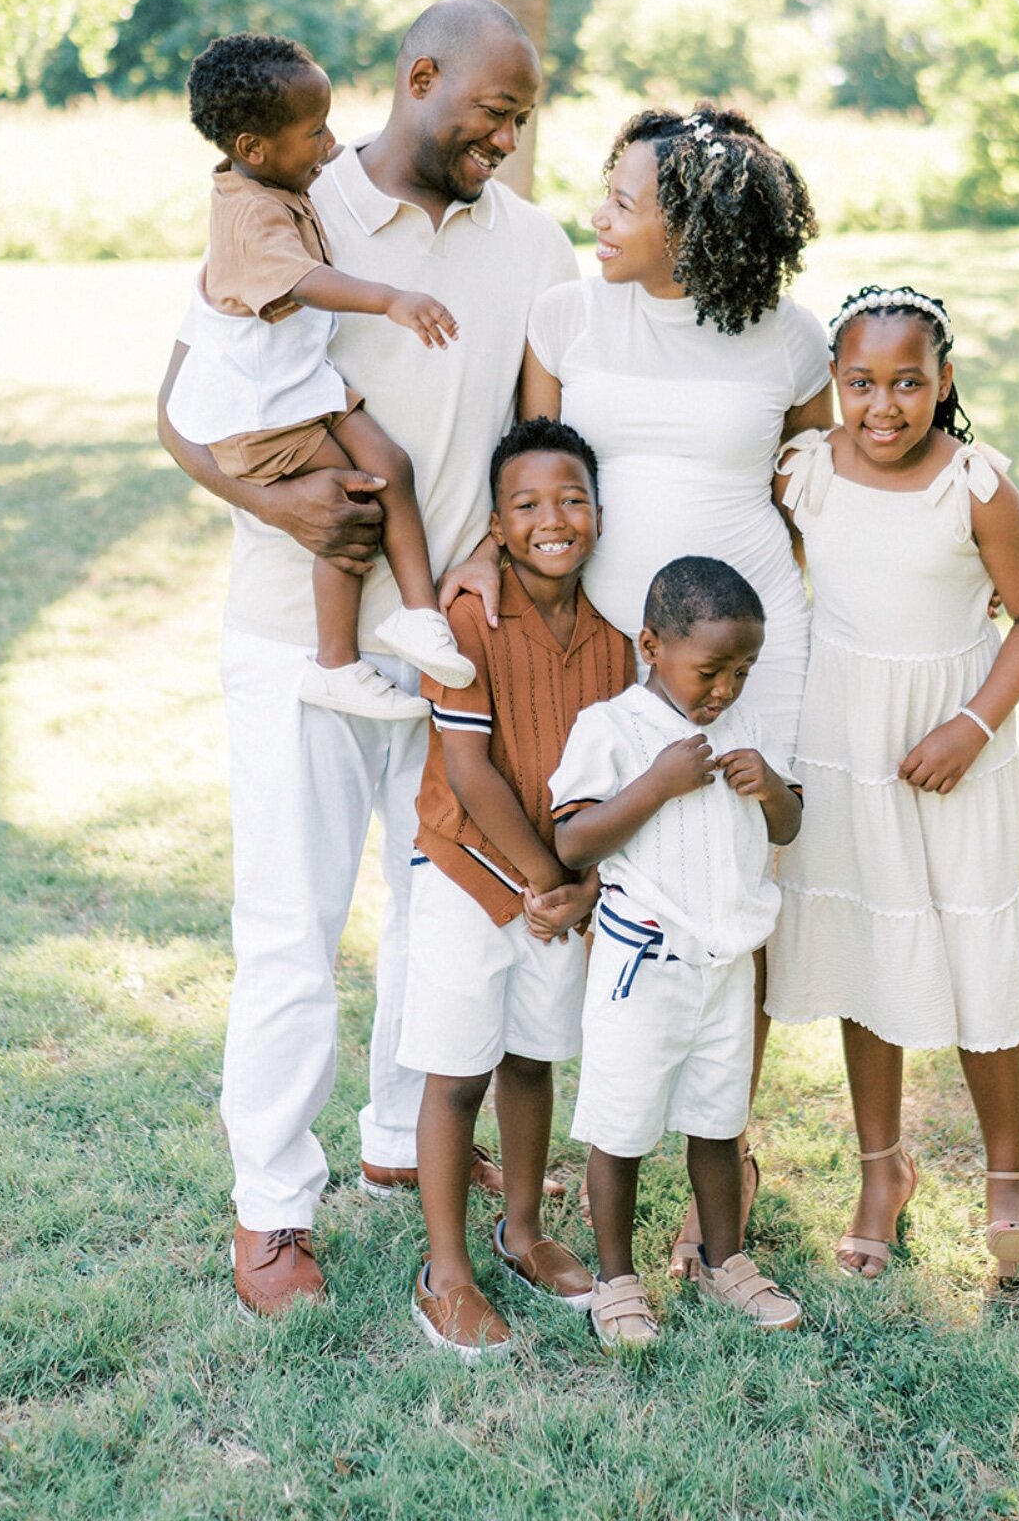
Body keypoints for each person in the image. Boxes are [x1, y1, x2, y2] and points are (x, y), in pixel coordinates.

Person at [156, 0, 578, 1316]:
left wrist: (493, 555)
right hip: (298, 638)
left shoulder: (537, 246)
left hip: (447, 646)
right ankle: (273, 1209)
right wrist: (275, 504)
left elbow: (538, 439)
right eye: (491, 113)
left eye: (522, 121)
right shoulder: (297, 201)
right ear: (420, 77)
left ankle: (403, 1137)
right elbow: (179, 405)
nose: (505, 141)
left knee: (439, 911)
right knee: (292, 927)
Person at [452, 102, 832, 1272]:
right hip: (607, 643)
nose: (599, 216)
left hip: (748, 646)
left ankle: (726, 1147)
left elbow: (820, 484)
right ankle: (612, 1125)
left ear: (696, 222)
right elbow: (532, 467)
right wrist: (481, 554)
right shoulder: (568, 314)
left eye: (624, 200)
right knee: (615, 868)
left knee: (730, 879)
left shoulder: (788, 336)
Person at [766, 285, 1019, 1279]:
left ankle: (1009, 1182)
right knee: (868, 942)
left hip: (956, 742)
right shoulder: (806, 471)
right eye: (860, 383)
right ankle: (880, 1171)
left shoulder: (974, 485)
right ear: (833, 382)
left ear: (945, 382)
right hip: (846, 737)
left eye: (907, 382)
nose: (883, 405)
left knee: (977, 951)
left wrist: (971, 726)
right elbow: (787, 570)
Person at [401, 417, 635, 1359]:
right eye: (528, 504)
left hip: (561, 887)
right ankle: (446, 1271)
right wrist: (550, 880)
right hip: (469, 870)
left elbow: (618, 778)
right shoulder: (471, 618)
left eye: (572, 499)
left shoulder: (617, 638)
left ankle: (523, 1229)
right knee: (458, 1071)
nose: (553, 519)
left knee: (533, 1058)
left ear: (601, 515)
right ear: (496, 527)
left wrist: (582, 884)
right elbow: (468, 773)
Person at [167, 32, 475, 721]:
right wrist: (391, 299)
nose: (331, 145)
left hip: (305, 391)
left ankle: (419, 615)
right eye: (314, 132)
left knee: (390, 464)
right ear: (253, 148)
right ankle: (334, 665)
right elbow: (303, 280)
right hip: (264, 413)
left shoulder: (268, 182)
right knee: (352, 504)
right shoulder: (249, 215)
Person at [551, 557, 805, 1348]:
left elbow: (791, 826)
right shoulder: (612, 728)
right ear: (652, 646)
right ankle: (616, 1279)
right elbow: (573, 841)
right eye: (711, 670)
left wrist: (772, 788)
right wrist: (657, 783)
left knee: (719, 1122)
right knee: (623, 1128)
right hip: (643, 968)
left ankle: (725, 1260)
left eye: (743, 671)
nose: (726, 689)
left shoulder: (748, 729)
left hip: (725, 966)